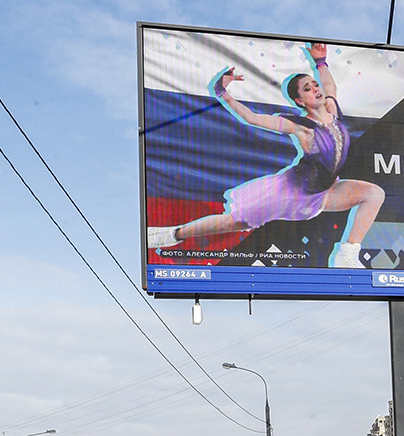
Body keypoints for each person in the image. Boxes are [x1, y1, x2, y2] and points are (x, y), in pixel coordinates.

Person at [146, 42, 384, 268]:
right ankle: (173, 234)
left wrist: (321, 62)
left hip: (325, 191)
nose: (316, 90)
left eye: (315, 85)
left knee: (374, 193)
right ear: (300, 100)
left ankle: (348, 253)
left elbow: (330, 86)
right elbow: (253, 118)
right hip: (290, 193)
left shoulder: (332, 109)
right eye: (308, 89)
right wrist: (222, 93)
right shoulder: (301, 126)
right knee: (235, 222)